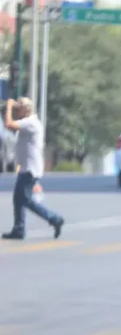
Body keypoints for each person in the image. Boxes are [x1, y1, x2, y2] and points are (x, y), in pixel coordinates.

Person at [2, 97, 64, 240]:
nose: (17, 111)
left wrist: (9, 106)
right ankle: (19, 229)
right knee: (19, 199)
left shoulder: (30, 123)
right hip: (26, 168)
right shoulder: (27, 123)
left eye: (20, 108)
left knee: (25, 200)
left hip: (30, 169)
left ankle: (54, 219)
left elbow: (8, 124)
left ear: (27, 109)